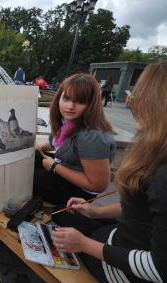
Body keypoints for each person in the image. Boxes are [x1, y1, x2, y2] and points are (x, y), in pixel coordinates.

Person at [51, 61, 167, 283]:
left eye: (138, 95)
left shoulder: (163, 176)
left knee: (60, 219)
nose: (131, 102)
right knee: (65, 214)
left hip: (125, 271)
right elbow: (144, 212)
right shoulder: (158, 151)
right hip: (123, 239)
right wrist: (96, 212)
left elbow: (159, 269)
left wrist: (84, 244)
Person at [34, 73, 116, 205]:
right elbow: (56, 143)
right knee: (29, 158)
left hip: (79, 191)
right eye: (66, 98)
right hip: (65, 167)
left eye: (80, 101)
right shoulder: (69, 121)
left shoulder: (92, 137)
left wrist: (55, 167)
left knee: (27, 178)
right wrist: (40, 147)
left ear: (91, 104)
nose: (70, 106)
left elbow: (98, 185)